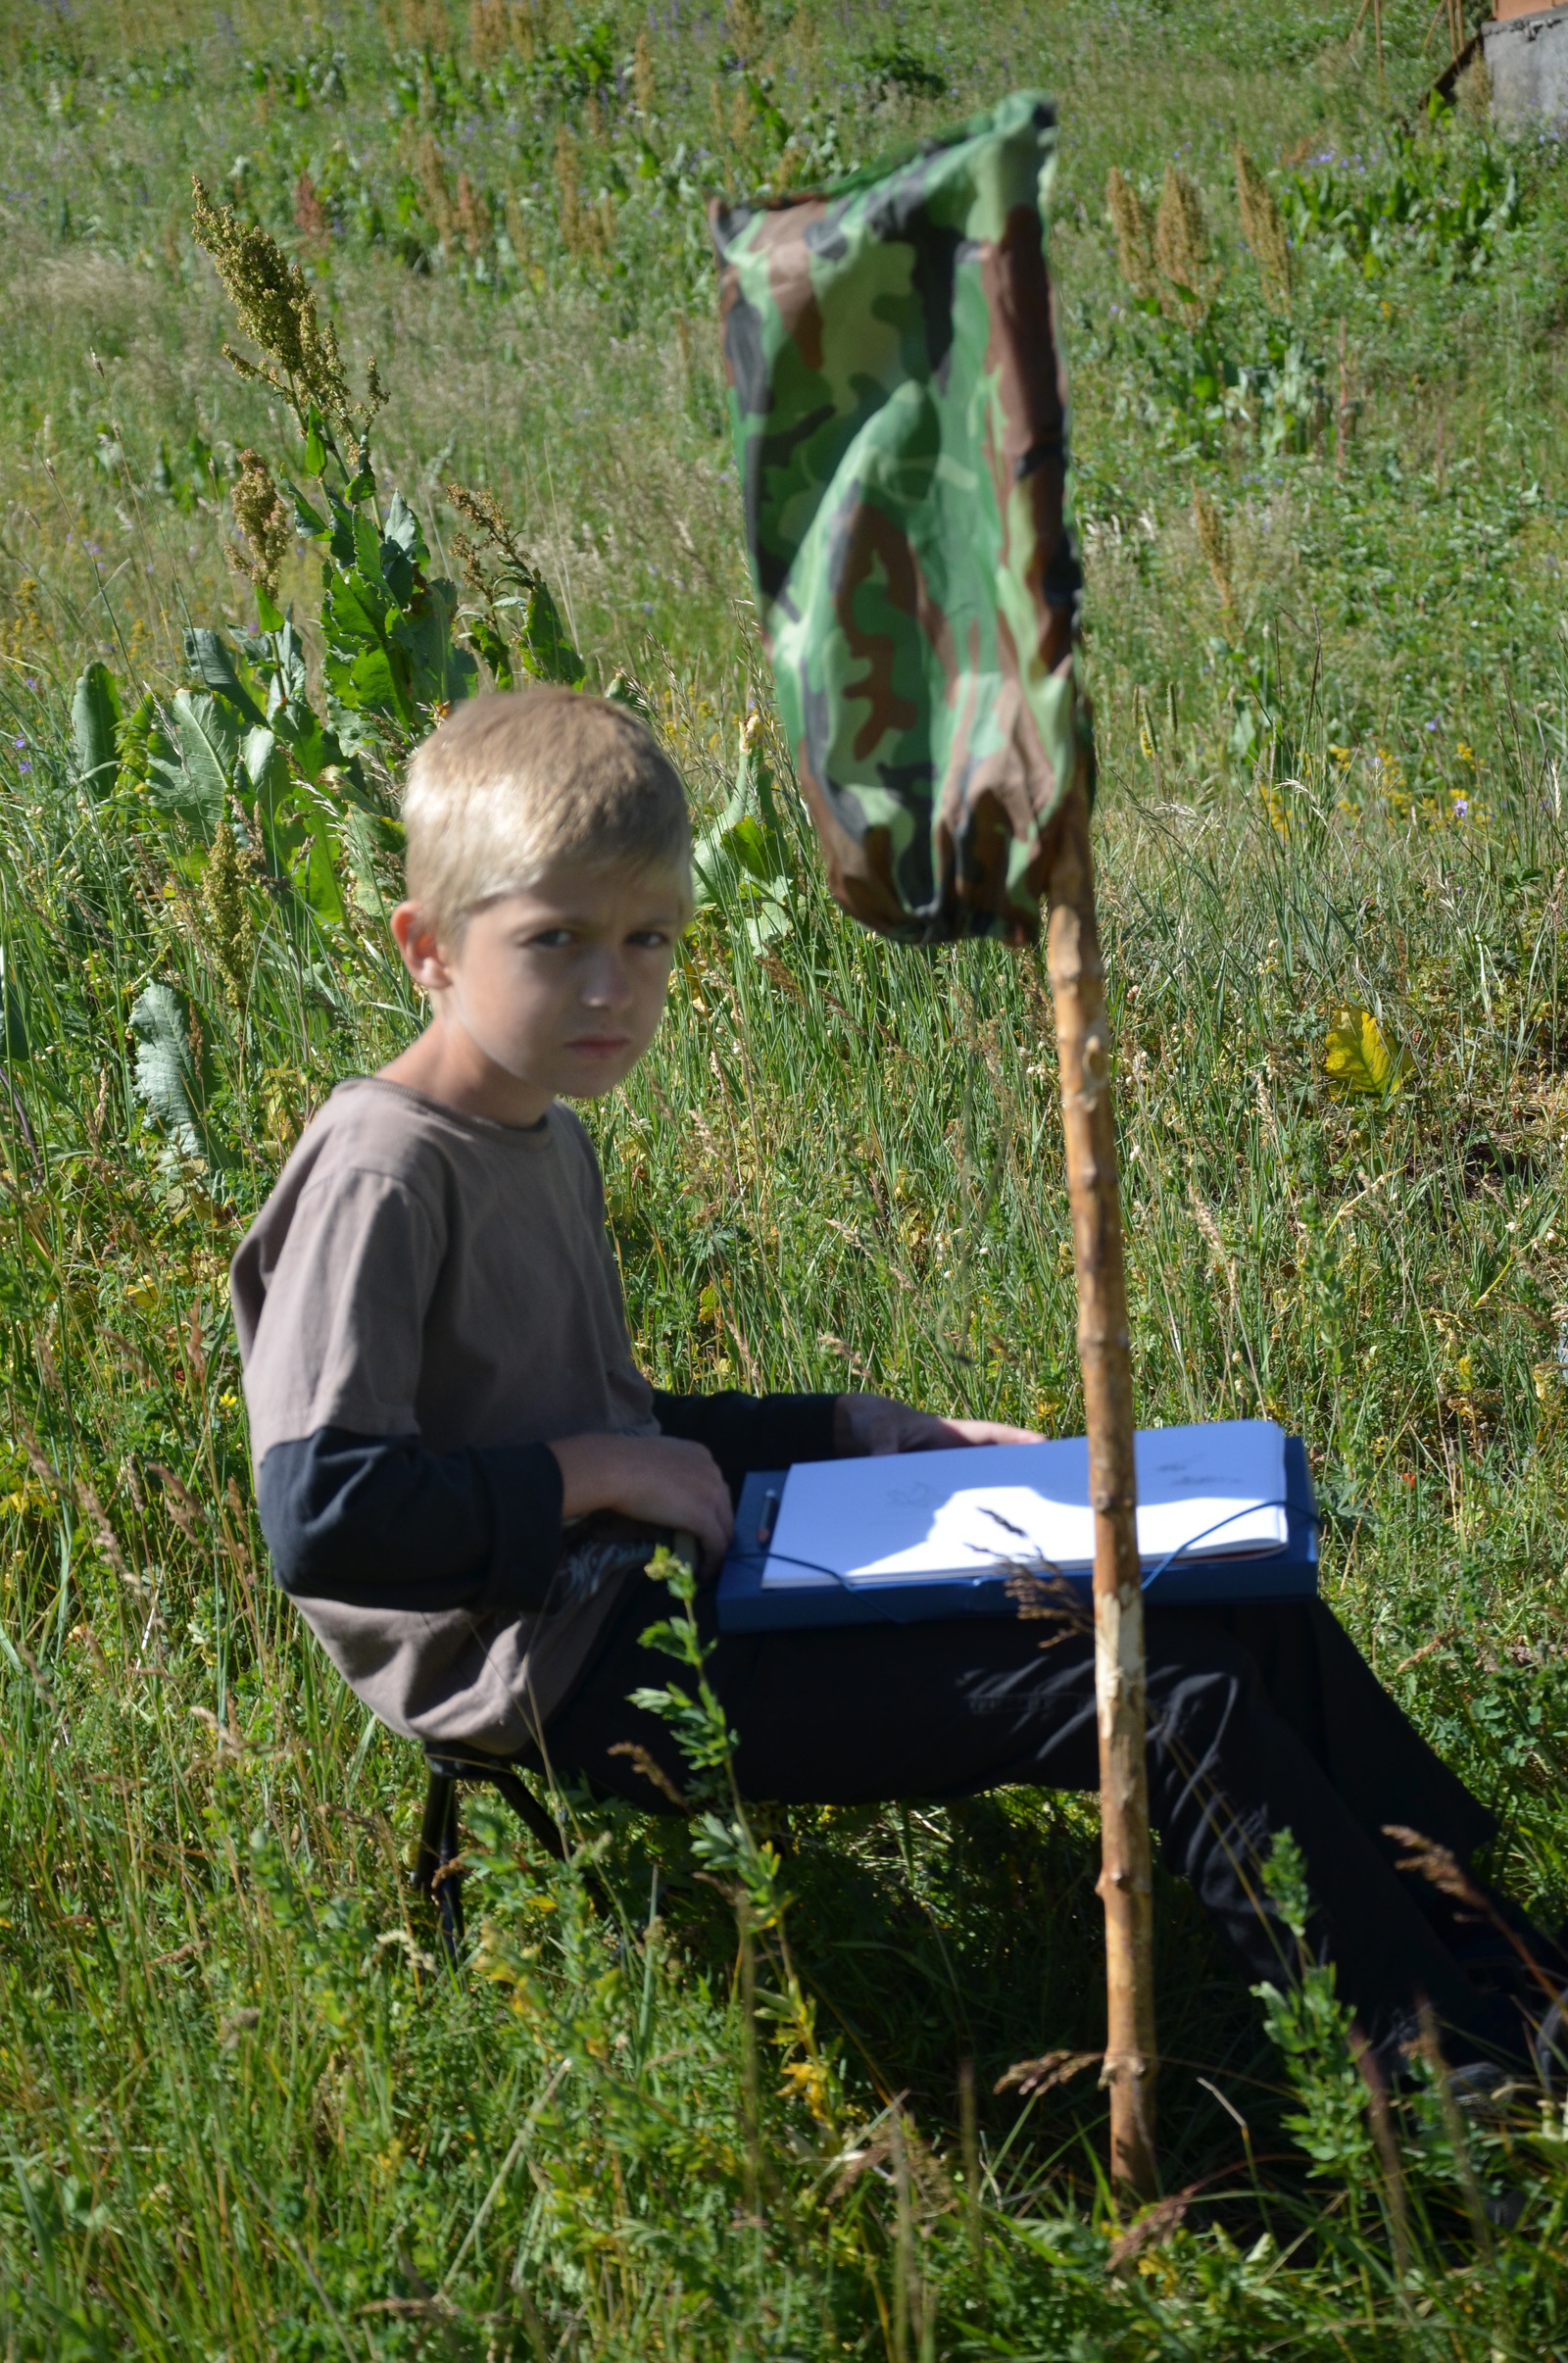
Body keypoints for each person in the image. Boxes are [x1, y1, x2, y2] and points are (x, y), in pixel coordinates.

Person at [232, 688, 1561, 2084]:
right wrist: (600, 1479)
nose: (613, 986)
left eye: (648, 939)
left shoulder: (540, 1134)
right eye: (555, 941)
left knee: (1232, 1592)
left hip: (646, 1583)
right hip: (557, 1663)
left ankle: (1500, 1960)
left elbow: (587, 1412)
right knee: (1159, 1693)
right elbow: (327, 1514)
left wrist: (845, 1434)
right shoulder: (384, 1165)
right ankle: (1449, 2107)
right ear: (426, 947)